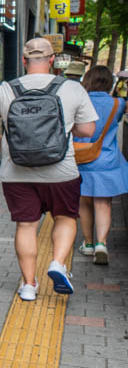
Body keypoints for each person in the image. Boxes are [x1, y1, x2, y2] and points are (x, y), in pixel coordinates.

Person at [0, 37, 98, 301]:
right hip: (62, 172)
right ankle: (57, 263)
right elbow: (88, 129)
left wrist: (4, 143)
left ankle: (29, 285)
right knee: (65, 218)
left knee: (26, 226)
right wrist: (64, 130)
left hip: (16, 172)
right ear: (52, 60)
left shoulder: (6, 89)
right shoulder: (72, 88)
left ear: (24, 60)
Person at [76, 66, 128, 265]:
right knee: (103, 203)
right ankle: (101, 244)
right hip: (107, 161)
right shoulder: (118, 103)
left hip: (82, 158)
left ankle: (88, 244)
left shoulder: (80, 102)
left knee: (84, 202)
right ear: (110, 83)